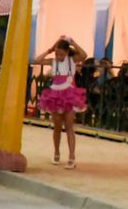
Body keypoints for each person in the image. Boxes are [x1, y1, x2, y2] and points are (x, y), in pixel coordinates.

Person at [33, 36, 89, 168]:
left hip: (69, 95)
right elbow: (37, 60)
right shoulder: (53, 61)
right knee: (57, 127)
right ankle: (56, 153)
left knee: (69, 127)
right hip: (55, 96)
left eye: (61, 53)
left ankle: (72, 157)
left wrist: (73, 43)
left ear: (67, 52)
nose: (58, 56)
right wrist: (49, 50)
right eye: (57, 53)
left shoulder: (72, 60)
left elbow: (84, 55)